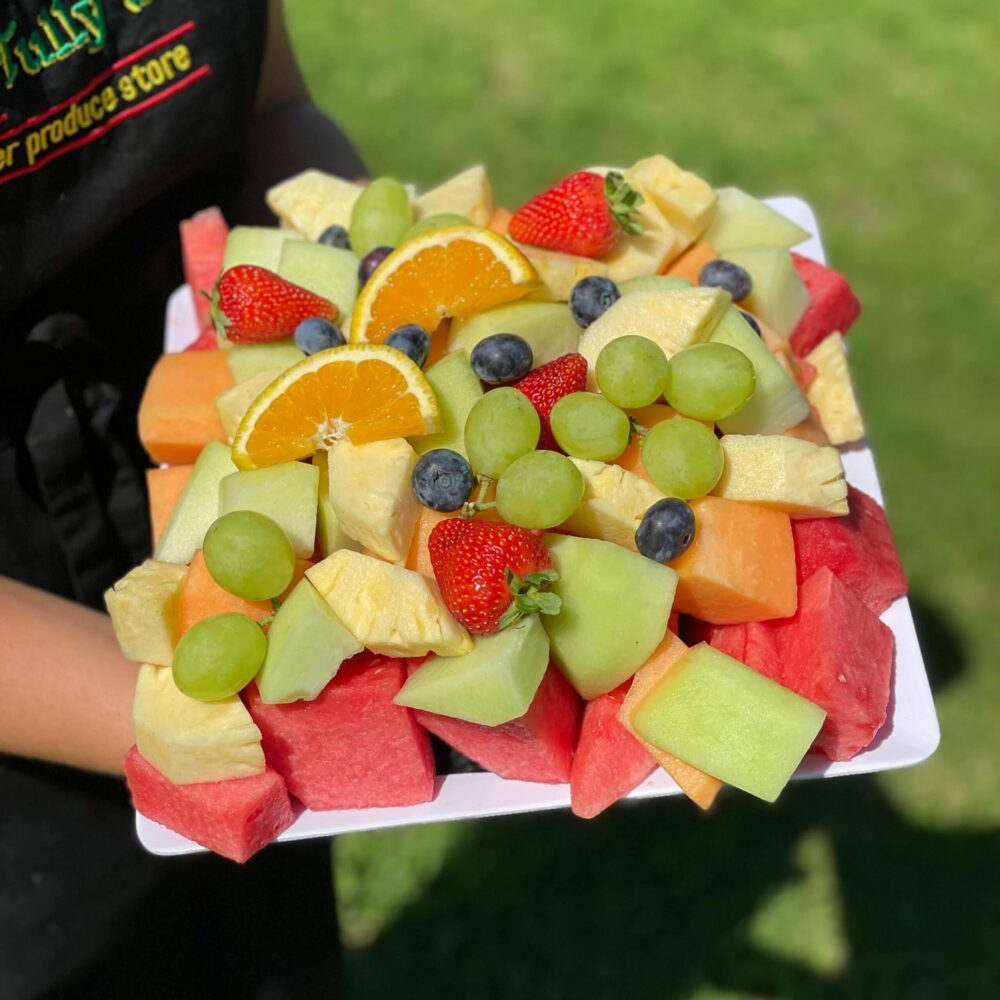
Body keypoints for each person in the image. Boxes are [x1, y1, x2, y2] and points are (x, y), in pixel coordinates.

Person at [0, 2, 365, 995]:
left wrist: (369, 292)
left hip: (240, 471)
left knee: (269, 944)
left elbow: (275, 106)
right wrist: (250, 725)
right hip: (25, 665)